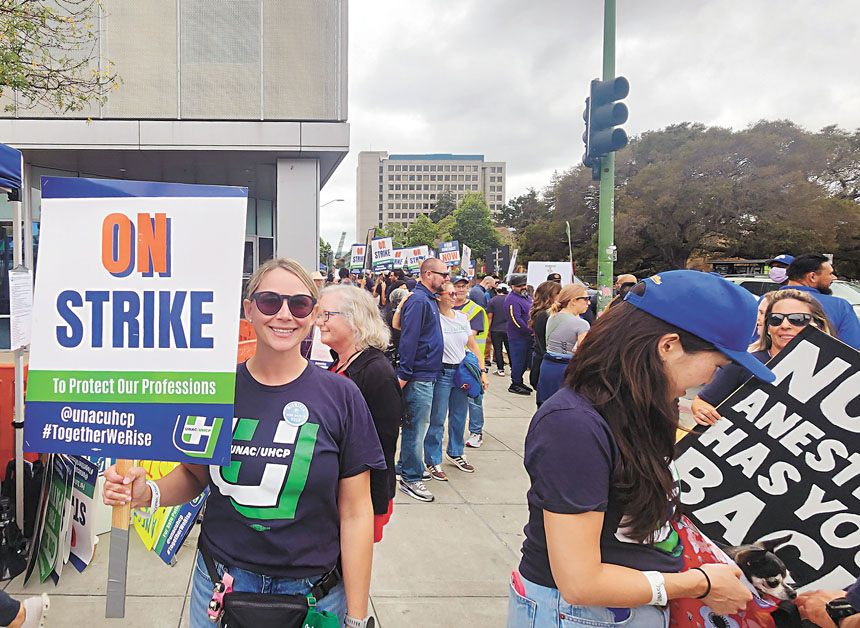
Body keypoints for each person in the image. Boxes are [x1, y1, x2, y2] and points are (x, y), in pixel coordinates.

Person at [103, 258, 385, 628]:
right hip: (221, 586)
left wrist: (357, 617)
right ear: (249, 308)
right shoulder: (215, 392)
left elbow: (356, 513)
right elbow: (194, 476)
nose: (284, 314)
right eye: (270, 301)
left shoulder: (342, 396)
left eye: (298, 304)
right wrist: (148, 493)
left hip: (314, 594)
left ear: (314, 315)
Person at [509, 270, 772, 628]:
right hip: (582, 616)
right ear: (668, 346)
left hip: (632, 605)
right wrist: (700, 584)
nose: (710, 380)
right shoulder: (573, 425)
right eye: (716, 365)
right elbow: (579, 582)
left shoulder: (644, 407)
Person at [318, 284, 403, 543]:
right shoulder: (342, 362)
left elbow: (380, 448)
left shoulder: (376, 372)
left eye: (326, 315)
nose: (319, 322)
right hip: (337, 494)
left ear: (354, 319)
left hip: (360, 501)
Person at [690, 288, 834, 425]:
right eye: (776, 319)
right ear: (768, 327)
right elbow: (702, 401)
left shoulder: (836, 371)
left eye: (797, 319)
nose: (784, 325)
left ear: (818, 325)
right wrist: (703, 412)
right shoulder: (744, 365)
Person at [394, 257, 447, 503]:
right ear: (428, 274)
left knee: (416, 426)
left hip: (427, 373)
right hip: (418, 375)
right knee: (416, 427)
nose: (446, 279)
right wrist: (405, 374)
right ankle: (410, 477)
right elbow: (409, 339)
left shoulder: (427, 300)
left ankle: (405, 465)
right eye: (443, 274)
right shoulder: (418, 300)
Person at [424, 280, 488, 480]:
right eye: (450, 293)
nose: (455, 296)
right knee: (437, 418)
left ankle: (456, 451)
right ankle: (433, 460)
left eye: (457, 293)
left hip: (462, 373)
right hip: (442, 373)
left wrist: (482, 370)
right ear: (439, 296)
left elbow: (473, 345)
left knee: (460, 416)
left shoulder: (462, 318)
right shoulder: (433, 318)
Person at [783, 253, 860, 348]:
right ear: (812, 277)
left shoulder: (764, 301)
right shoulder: (839, 306)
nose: (834, 278)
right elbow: (853, 351)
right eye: (830, 274)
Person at [451, 274, 491, 449]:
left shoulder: (475, 310)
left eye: (463, 286)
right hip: (450, 362)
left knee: (474, 398)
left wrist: (482, 370)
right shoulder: (444, 308)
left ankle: (476, 431)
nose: (460, 289)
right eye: (457, 286)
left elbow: (469, 337)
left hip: (470, 364)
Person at [536, 283, 591, 406]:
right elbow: (583, 353)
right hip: (567, 369)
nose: (589, 303)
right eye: (586, 299)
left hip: (548, 367)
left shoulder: (552, 316)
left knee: (546, 406)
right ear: (573, 301)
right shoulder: (582, 324)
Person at [528, 281, 562, 393]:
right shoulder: (545, 315)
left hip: (542, 359)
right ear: (549, 295)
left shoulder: (543, 314)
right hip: (544, 361)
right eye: (558, 293)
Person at [505, 275, 535, 395]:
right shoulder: (512, 300)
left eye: (524, 285)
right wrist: (529, 330)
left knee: (526, 361)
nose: (522, 287)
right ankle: (515, 383)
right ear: (512, 287)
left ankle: (520, 381)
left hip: (528, 337)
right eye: (519, 286)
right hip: (518, 337)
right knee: (518, 361)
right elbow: (515, 320)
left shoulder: (527, 297)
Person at [487, 283, 510, 376]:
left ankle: (500, 369)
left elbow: (490, 317)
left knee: (498, 349)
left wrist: (488, 329)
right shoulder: (510, 300)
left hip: (496, 329)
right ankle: (513, 368)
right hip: (508, 329)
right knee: (509, 349)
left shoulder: (492, 301)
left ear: (497, 290)